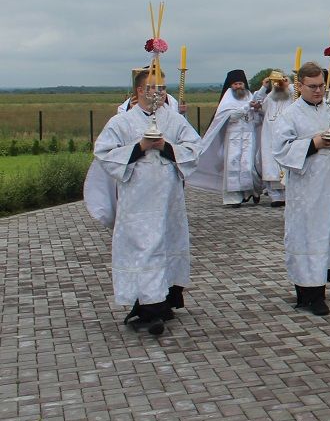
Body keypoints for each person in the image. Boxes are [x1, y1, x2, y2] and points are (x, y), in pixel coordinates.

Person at [92, 67, 201, 336]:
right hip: (137, 200)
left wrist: (166, 147)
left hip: (168, 199)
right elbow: (103, 152)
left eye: (163, 88)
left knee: (167, 244)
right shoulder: (122, 122)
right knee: (144, 248)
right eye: (155, 88)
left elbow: (194, 148)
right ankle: (149, 308)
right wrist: (139, 148)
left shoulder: (174, 120)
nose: (161, 93)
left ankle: (164, 302)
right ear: (140, 91)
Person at [273, 62, 330, 316]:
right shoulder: (290, 114)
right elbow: (280, 149)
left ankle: (317, 286)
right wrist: (314, 143)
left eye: (322, 86)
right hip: (306, 190)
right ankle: (311, 295)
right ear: (299, 86)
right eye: (312, 87)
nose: (319, 91)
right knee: (309, 237)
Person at [191, 69, 262, 207]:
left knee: (248, 166)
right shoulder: (228, 97)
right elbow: (231, 116)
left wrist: (257, 109)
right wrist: (248, 107)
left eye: (240, 83)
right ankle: (234, 198)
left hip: (248, 135)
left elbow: (256, 116)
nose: (238, 87)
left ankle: (251, 192)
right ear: (230, 85)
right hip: (233, 137)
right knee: (233, 166)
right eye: (235, 84)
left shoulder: (249, 95)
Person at [254, 71, 294, 207]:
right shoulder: (270, 97)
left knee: (285, 164)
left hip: (285, 135)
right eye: (274, 82)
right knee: (271, 165)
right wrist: (263, 87)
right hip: (269, 136)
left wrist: (289, 85)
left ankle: (288, 195)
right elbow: (259, 104)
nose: (278, 85)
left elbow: (298, 97)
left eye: (279, 82)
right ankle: (275, 197)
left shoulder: (290, 95)